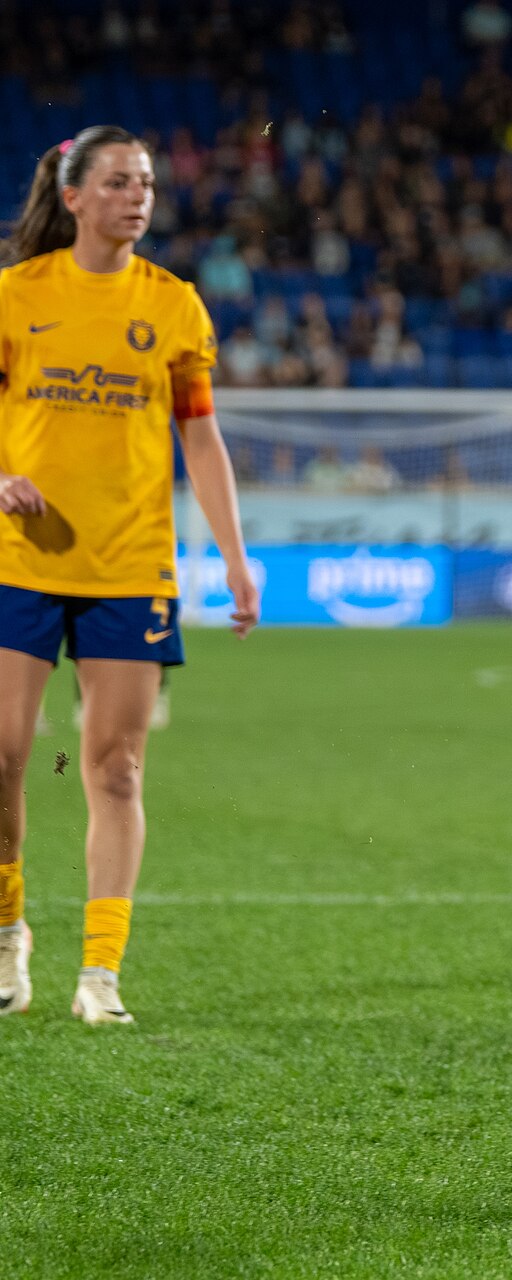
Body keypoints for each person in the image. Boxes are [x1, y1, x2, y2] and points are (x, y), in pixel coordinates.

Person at [0, 127, 259, 1025]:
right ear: (73, 196)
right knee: (4, 757)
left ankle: (99, 975)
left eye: (145, 183)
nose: (137, 197)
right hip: (19, 562)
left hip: (130, 567)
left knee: (114, 770)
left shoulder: (176, 305)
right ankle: (7, 936)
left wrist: (232, 555)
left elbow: (199, 435)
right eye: (117, 182)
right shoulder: (17, 295)